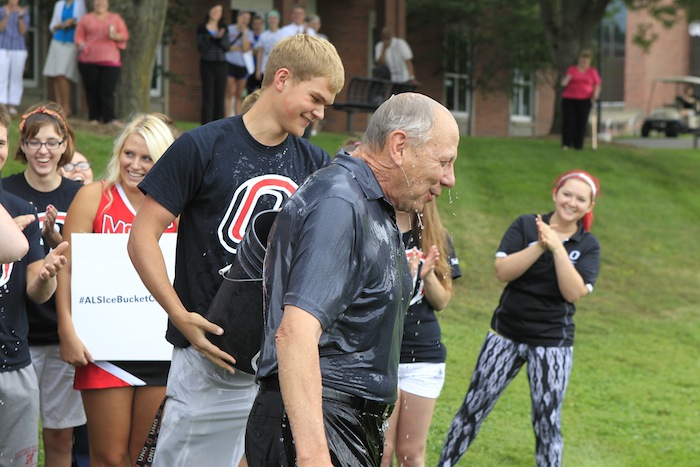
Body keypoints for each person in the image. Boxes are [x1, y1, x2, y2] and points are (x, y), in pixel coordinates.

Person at [127, 34, 345, 467]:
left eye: (327, 104)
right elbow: (141, 237)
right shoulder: (201, 145)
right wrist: (179, 315)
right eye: (316, 98)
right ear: (282, 79)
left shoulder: (318, 165)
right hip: (207, 357)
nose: (320, 113)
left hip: (280, 364)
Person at [245, 92, 460, 466]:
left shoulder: (372, 203)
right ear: (399, 146)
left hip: (339, 422)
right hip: (322, 424)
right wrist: (314, 457)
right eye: (443, 162)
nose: (449, 179)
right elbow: (295, 332)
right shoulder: (341, 203)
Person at [439, 170, 602, 467]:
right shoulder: (527, 225)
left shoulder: (588, 245)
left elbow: (573, 292)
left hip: (552, 343)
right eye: (567, 194)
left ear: (589, 207)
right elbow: (503, 271)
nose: (571, 202)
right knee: (473, 409)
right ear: (555, 194)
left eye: (581, 199)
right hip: (505, 335)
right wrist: (539, 244)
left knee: (547, 422)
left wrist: (557, 247)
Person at [55, 114, 176, 467]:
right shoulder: (95, 198)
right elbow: (67, 267)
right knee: (108, 456)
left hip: (158, 347)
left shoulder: (176, 207)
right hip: (102, 346)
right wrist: (67, 327)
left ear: (163, 160)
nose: (135, 165)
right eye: (129, 153)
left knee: (144, 455)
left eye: (147, 157)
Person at [3, 102, 86, 467]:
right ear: (22, 145)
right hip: (17, 333)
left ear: (65, 145)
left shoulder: (79, 195)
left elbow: (89, 262)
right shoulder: (7, 194)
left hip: (58, 330)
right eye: (35, 142)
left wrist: (53, 242)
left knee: (58, 435)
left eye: (53, 142)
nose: (43, 150)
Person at [382, 202, 461, 467]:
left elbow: (442, 301)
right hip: (382, 355)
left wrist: (426, 276)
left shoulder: (436, 237)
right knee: (381, 449)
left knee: (410, 453)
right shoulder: (377, 227)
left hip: (423, 358)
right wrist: (406, 277)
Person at [75, 0, 129, 125]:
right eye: (97, 2)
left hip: (111, 61)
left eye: (103, 2)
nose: (100, 4)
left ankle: (109, 118)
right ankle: (94, 118)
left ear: (108, 3)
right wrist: (82, 45)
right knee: (91, 90)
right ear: (93, 3)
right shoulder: (86, 19)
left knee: (107, 90)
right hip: (89, 60)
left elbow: (125, 35)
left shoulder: (115, 18)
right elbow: (78, 37)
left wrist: (115, 35)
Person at [43, 0, 87, 118]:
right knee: (56, 75)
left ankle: (66, 107)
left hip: (71, 43)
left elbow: (83, 23)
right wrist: (62, 25)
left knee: (64, 74)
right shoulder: (59, 4)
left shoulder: (79, 3)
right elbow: (52, 26)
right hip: (57, 41)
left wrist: (72, 24)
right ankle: (59, 107)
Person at [196, 3, 230, 124]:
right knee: (208, 97)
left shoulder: (223, 28)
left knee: (219, 97)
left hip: (221, 65)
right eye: (215, 10)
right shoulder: (202, 28)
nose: (216, 13)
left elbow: (226, 47)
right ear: (210, 11)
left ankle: (218, 125)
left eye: (219, 11)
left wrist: (219, 39)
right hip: (207, 65)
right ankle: (205, 125)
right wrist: (214, 38)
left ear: (221, 15)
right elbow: (201, 48)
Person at [560, 50, 601, 150]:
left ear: (589, 61)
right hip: (569, 99)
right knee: (569, 121)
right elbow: (564, 82)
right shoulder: (572, 70)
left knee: (581, 121)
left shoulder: (592, 71)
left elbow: (597, 84)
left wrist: (595, 94)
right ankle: (566, 143)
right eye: (582, 59)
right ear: (579, 60)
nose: (584, 62)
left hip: (585, 100)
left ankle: (578, 144)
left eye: (586, 60)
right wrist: (565, 80)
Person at [0, 0, 30, 116]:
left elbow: (23, 31)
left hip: (19, 48)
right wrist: (6, 16)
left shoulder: (23, 12)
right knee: (1, 76)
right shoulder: (1, 11)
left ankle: (12, 105)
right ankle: (1, 105)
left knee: (16, 77)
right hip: (2, 47)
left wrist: (20, 17)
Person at [225, 10, 253, 117]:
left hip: (243, 66)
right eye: (243, 18)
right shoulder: (229, 29)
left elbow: (246, 48)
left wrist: (244, 33)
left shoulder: (249, 33)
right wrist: (239, 48)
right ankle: (227, 117)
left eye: (247, 19)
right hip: (230, 64)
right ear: (238, 17)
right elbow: (228, 47)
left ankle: (237, 118)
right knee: (229, 93)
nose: (245, 21)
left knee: (239, 95)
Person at [254, 9, 284, 86]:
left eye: (274, 18)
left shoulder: (283, 34)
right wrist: (258, 70)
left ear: (278, 20)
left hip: (278, 70)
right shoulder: (264, 35)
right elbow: (260, 53)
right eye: (270, 18)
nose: (272, 20)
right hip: (265, 70)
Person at [245, 14, 265, 96]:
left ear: (262, 25)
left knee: (262, 95)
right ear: (252, 25)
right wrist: (259, 50)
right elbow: (247, 51)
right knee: (250, 95)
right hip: (250, 70)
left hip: (262, 70)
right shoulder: (249, 36)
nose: (257, 26)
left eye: (259, 24)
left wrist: (256, 50)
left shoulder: (265, 37)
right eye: (255, 24)